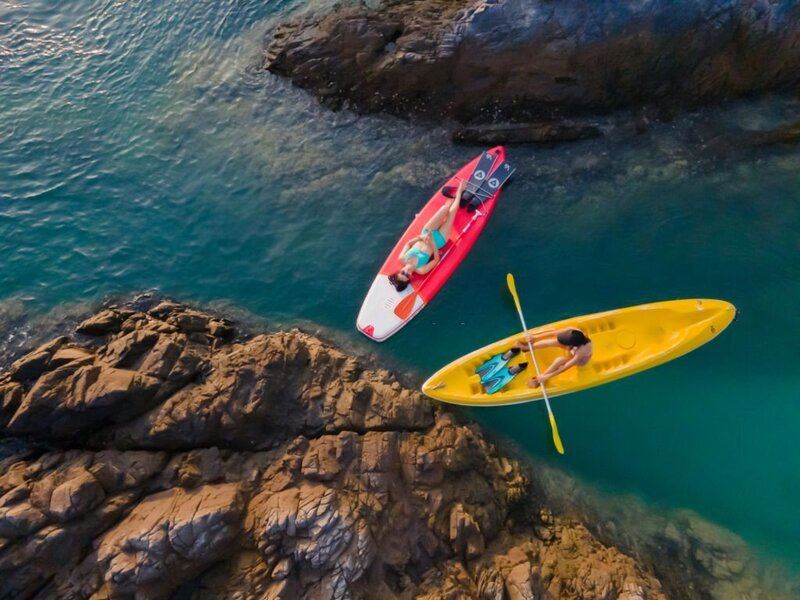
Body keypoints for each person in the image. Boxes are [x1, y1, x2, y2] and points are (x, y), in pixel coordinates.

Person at [388, 181, 466, 292]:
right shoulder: (421, 270)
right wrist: (432, 243)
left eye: (403, 273)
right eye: (407, 276)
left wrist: (420, 238)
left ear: (399, 271)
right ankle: (459, 192)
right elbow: (436, 260)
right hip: (439, 241)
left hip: (426, 232)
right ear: (411, 278)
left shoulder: (402, 258)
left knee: (444, 209)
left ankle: (452, 199)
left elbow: (408, 243)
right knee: (451, 214)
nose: (407, 272)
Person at [514, 327, 593, 388]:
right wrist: (535, 337)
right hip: (572, 349)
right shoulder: (573, 330)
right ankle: (526, 348)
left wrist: (547, 376)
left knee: (559, 360)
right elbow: (554, 333)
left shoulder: (583, 350)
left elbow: (565, 367)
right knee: (552, 341)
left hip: (580, 360)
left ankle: (539, 379)